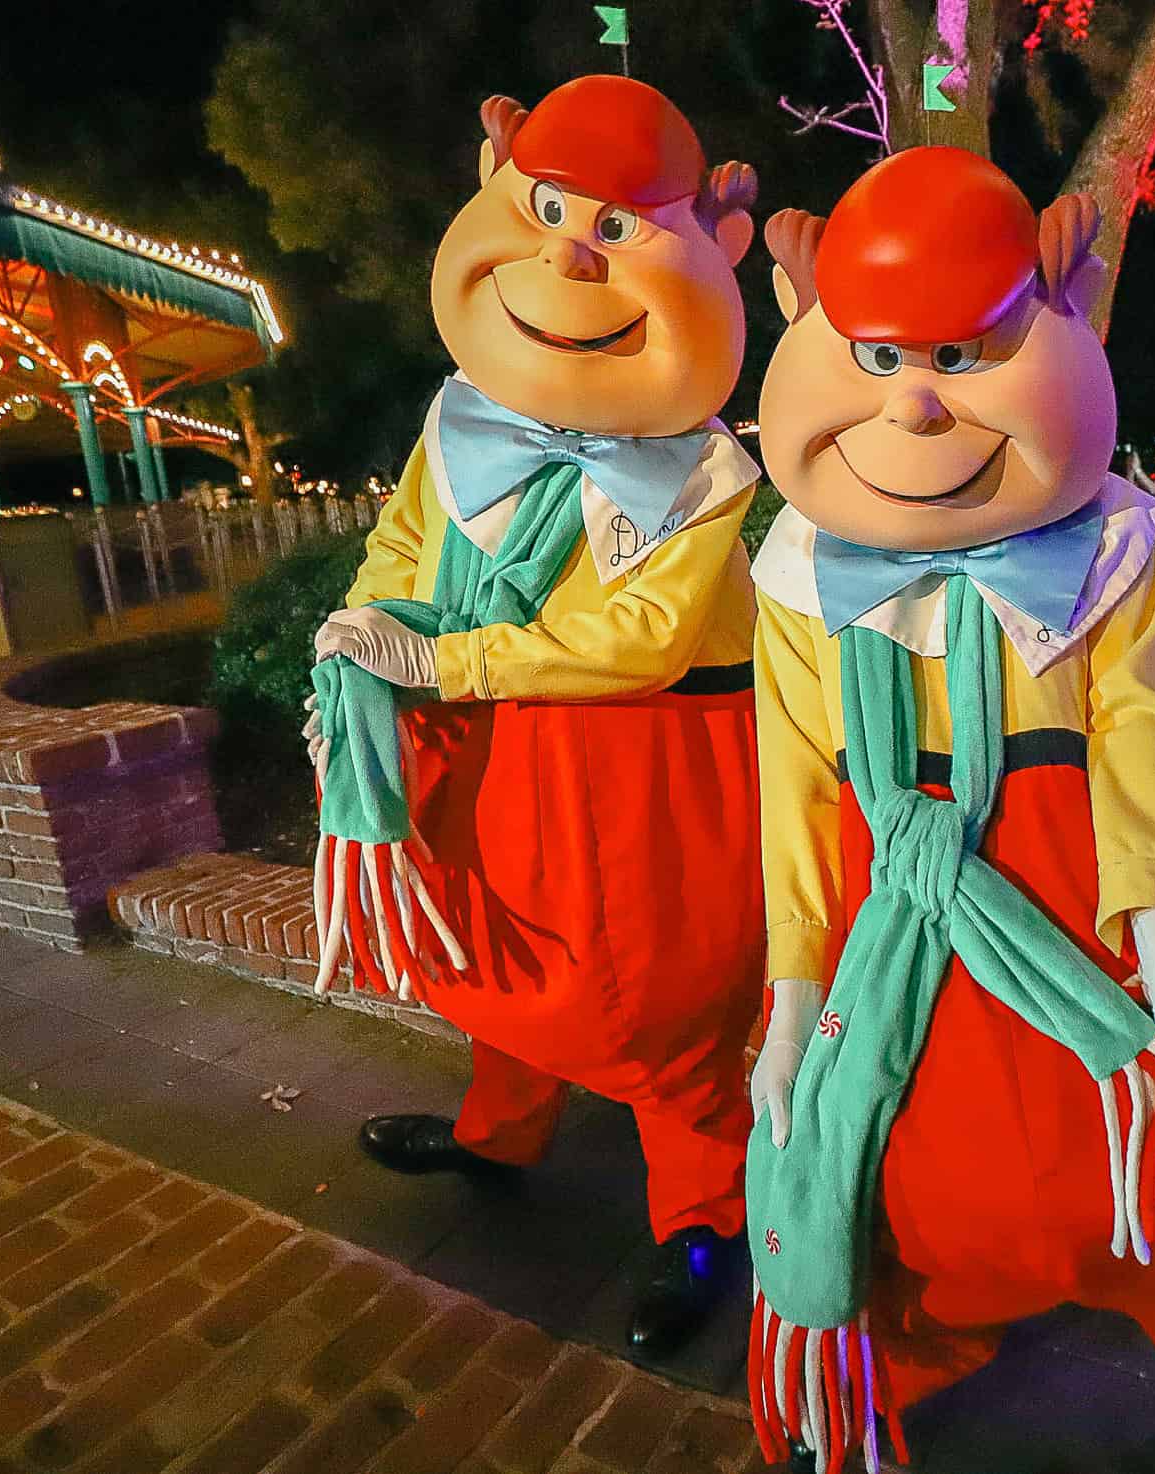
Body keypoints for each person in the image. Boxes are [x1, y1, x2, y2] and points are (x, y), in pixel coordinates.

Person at [743, 151, 1155, 1474]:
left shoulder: (1112, 542)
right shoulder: (793, 571)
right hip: (887, 898)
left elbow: (1142, 724)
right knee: (892, 1189)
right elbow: (794, 776)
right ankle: (866, 1382)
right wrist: (793, 989)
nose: (914, 407)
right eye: (880, 351)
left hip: (1090, 880)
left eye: (962, 351)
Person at [306, 76, 766, 1355]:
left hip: (645, 759)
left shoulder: (704, 468)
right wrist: (364, 630)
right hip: (488, 745)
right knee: (491, 952)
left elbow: (645, 636)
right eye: (551, 207)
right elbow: (406, 544)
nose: (568, 252)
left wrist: (445, 665)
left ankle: (701, 1215)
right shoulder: (460, 421)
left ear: (709, 253)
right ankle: (497, 1131)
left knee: (662, 1007)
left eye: (615, 228)